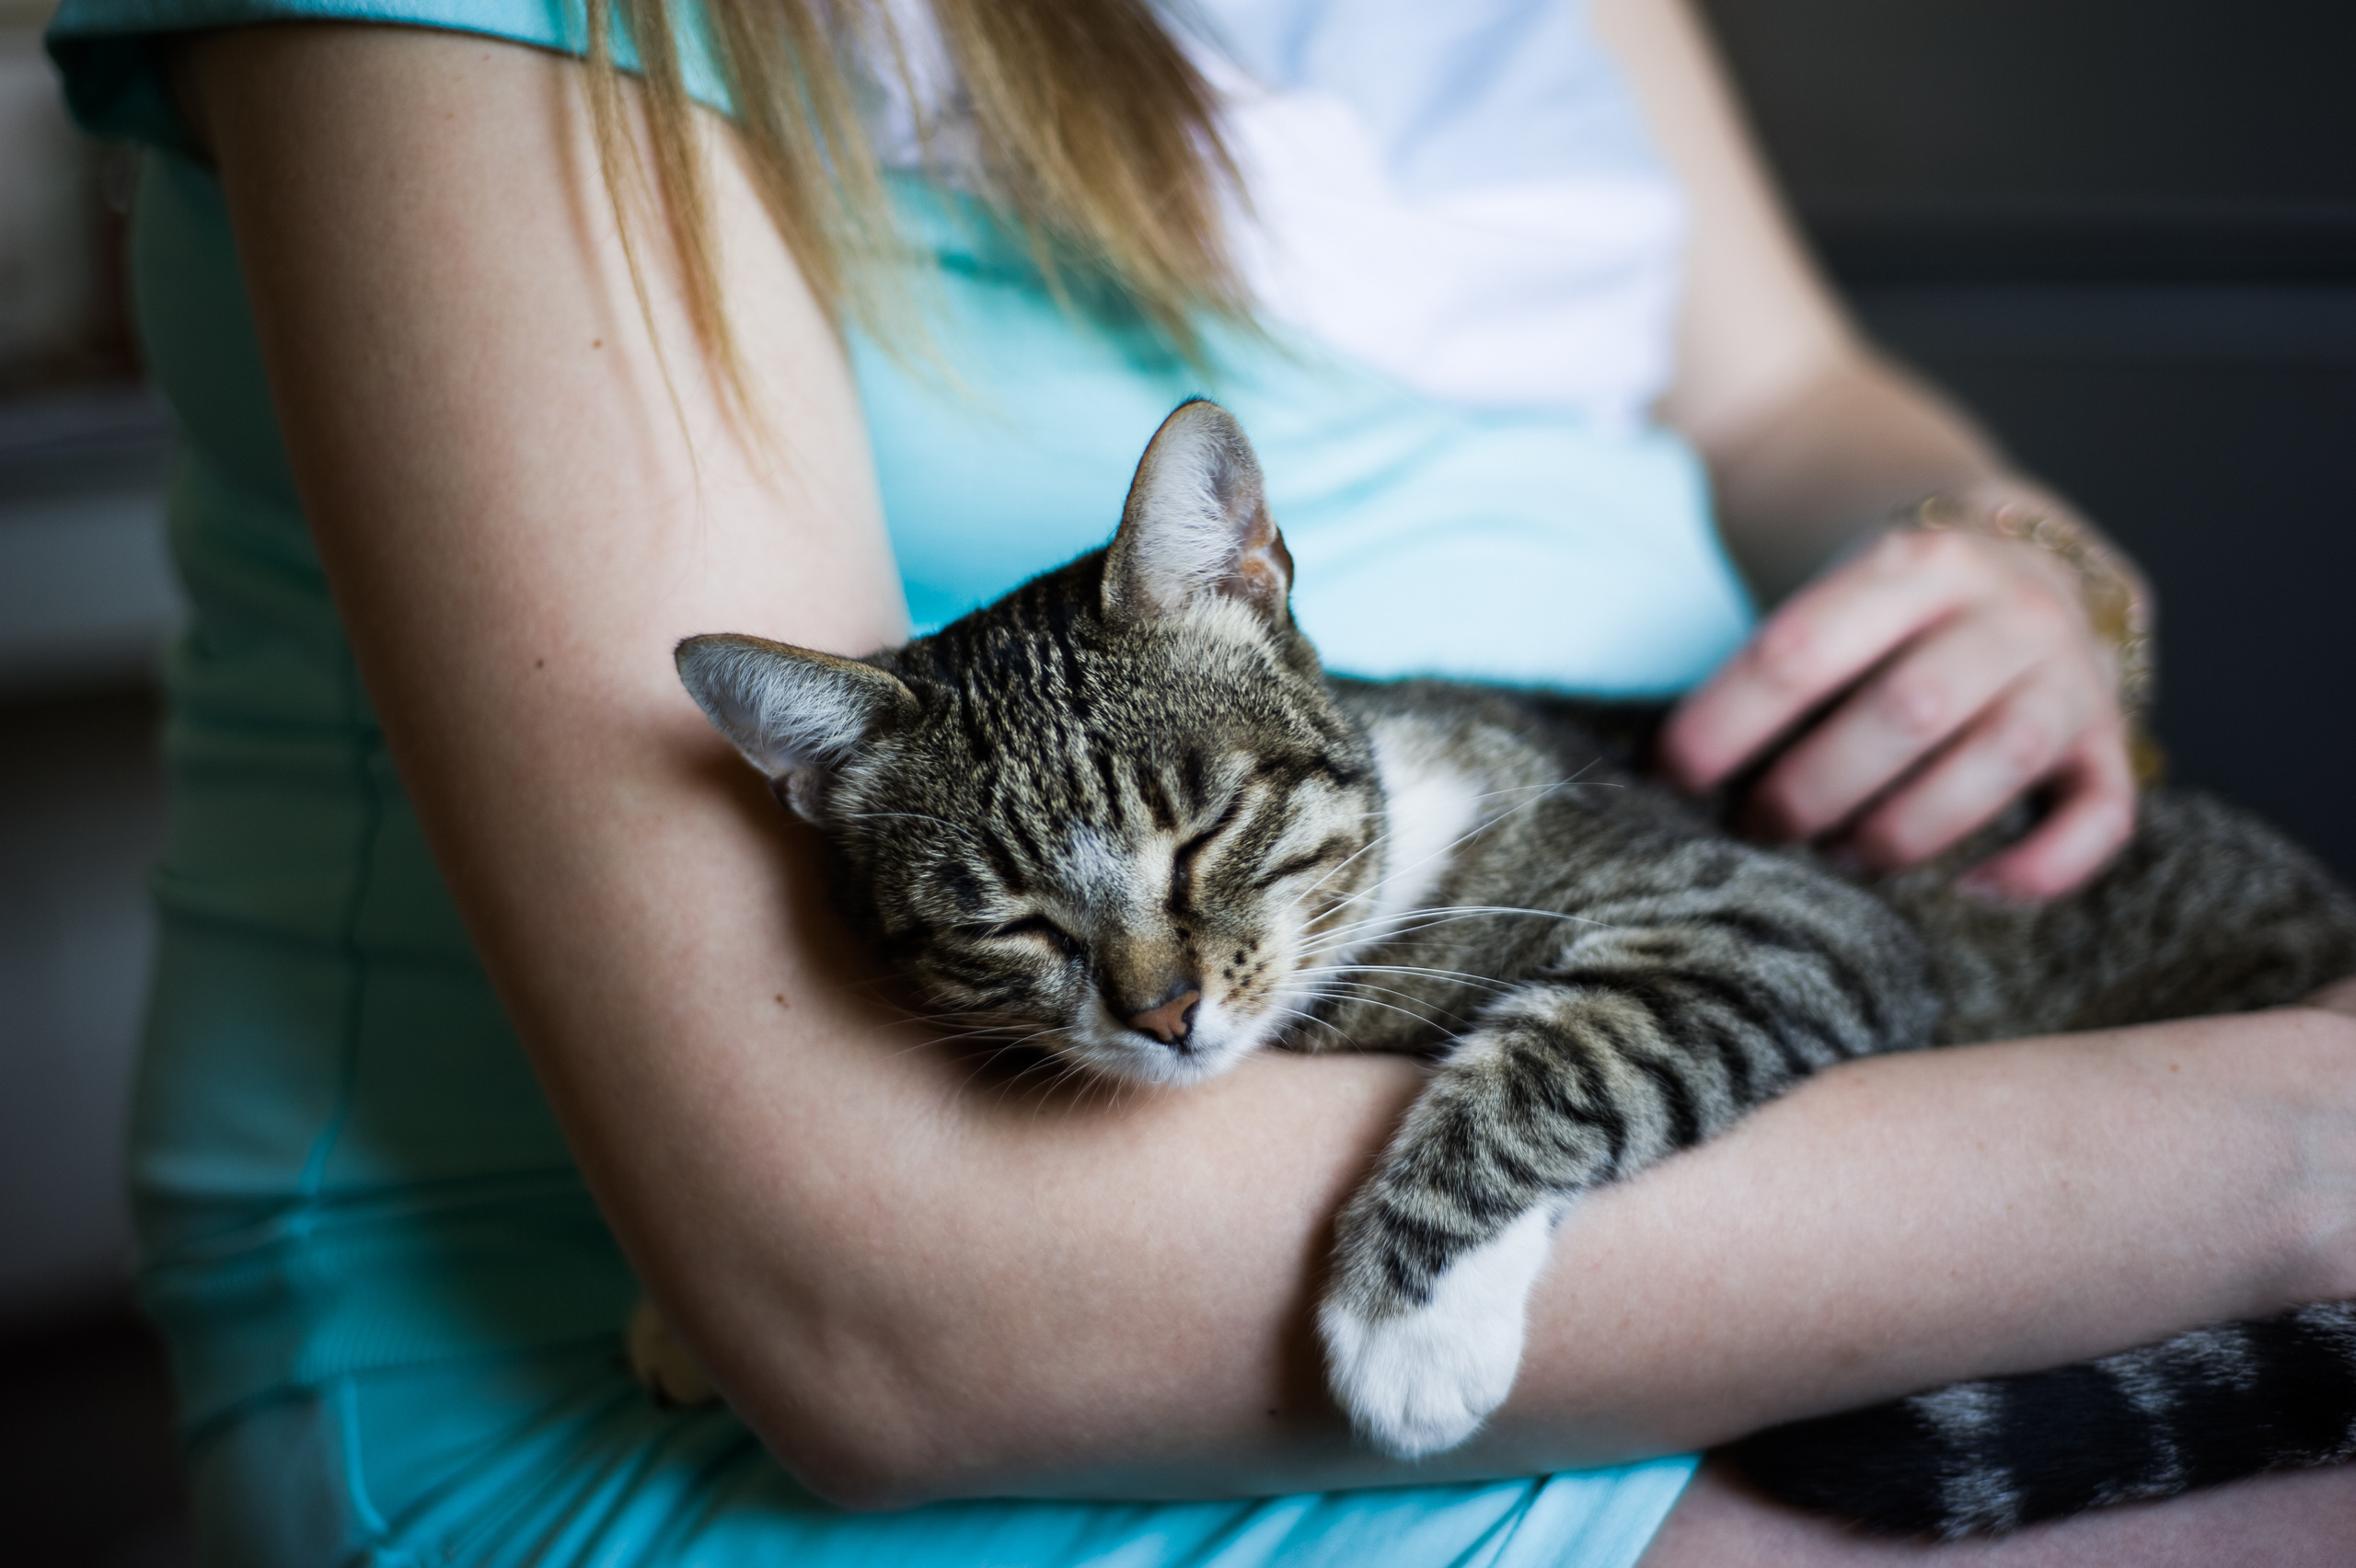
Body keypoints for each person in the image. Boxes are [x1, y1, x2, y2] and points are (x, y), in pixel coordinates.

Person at [40, 0, 2356, 1562]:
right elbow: (889, 1312)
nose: (1148, 987)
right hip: (943, 1315)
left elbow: (1783, 403)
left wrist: (2010, 566)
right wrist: (2295, 1147)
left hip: (1722, 1006)